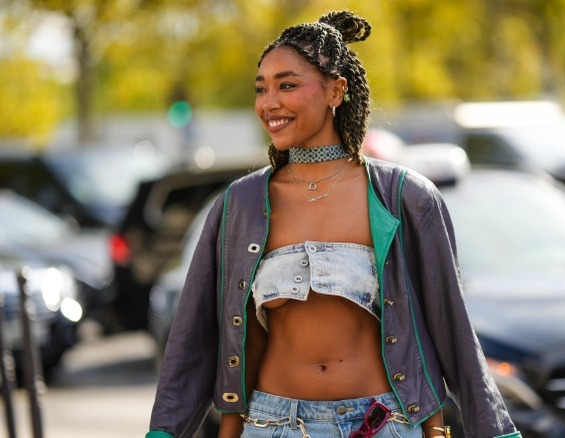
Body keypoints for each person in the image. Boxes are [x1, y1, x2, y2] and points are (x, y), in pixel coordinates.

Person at [146, 10, 520, 438]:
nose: (270, 102)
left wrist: (496, 430)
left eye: (287, 85)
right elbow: (191, 340)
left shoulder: (406, 198)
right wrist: (164, 431)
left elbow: (452, 330)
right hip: (272, 424)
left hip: (382, 424)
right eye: (261, 89)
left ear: (336, 91)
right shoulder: (239, 206)